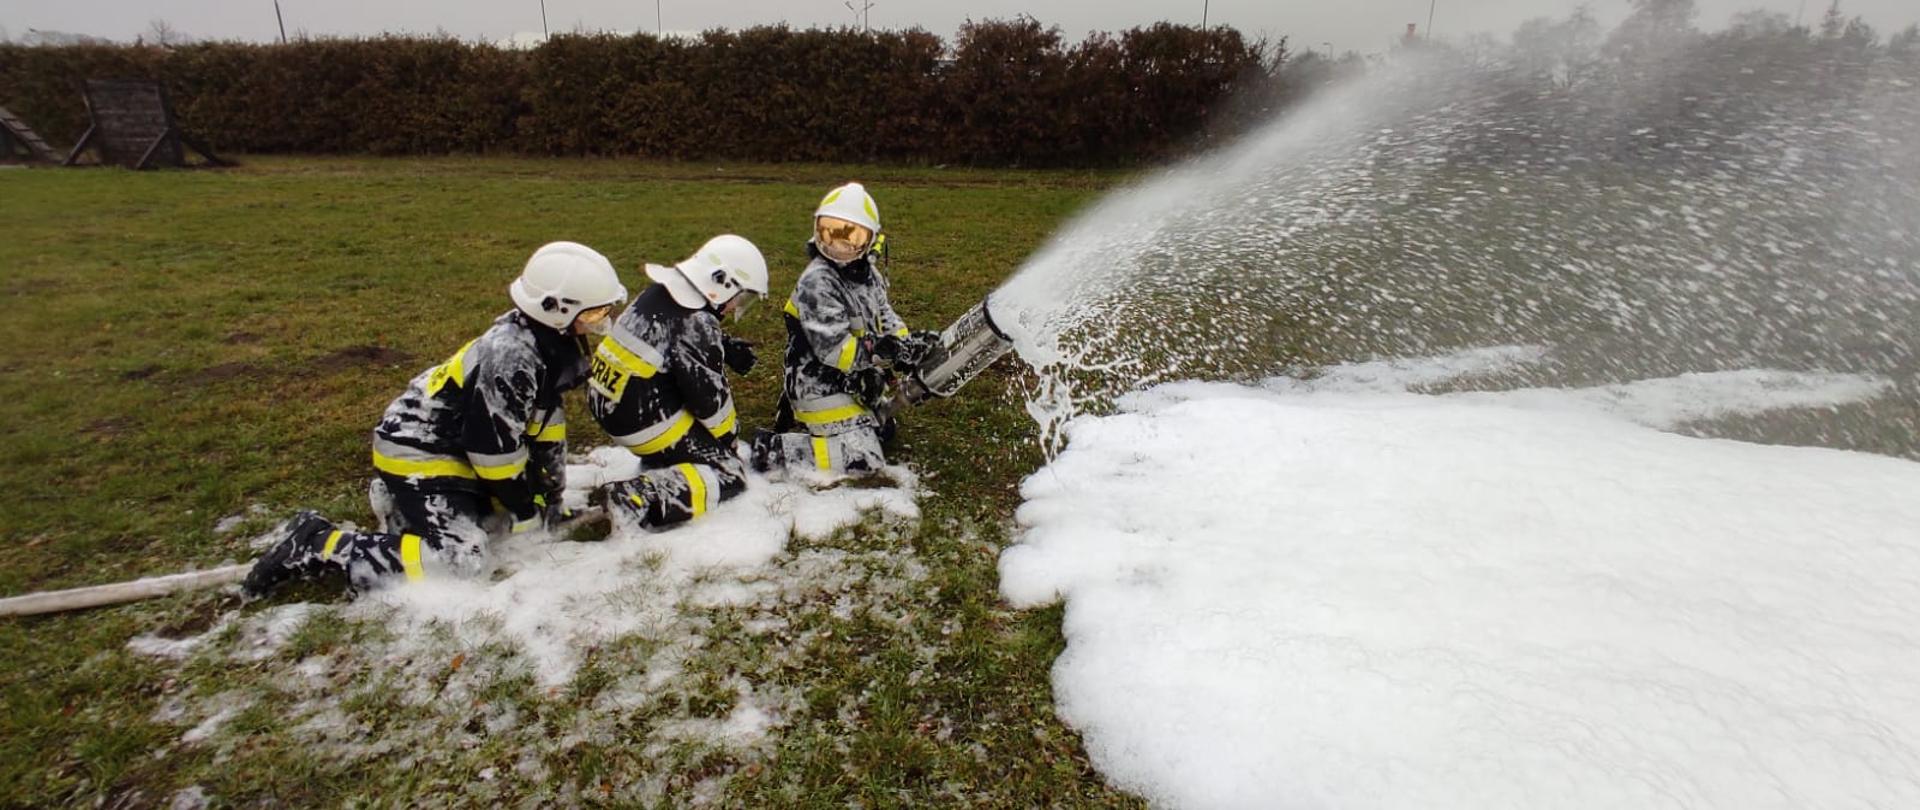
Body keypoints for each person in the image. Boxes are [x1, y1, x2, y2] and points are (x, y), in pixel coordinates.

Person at [243, 242, 625, 598]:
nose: (599, 320)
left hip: (455, 449)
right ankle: (316, 543)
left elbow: (544, 428)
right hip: (419, 452)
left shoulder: (547, 345)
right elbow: (491, 450)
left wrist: (550, 498)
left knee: (492, 516)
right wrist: (525, 507)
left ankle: (402, 508)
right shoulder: (512, 356)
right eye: (592, 313)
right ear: (555, 308)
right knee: (463, 562)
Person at [749, 182, 939, 477]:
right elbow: (836, 350)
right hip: (819, 383)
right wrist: (889, 351)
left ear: (869, 241)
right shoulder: (817, 282)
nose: (838, 245)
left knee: (882, 432)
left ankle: (840, 427)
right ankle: (771, 451)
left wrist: (909, 345)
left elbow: (885, 317)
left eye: (851, 237)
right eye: (829, 232)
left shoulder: (869, 276)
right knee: (863, 459)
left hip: (854, 378)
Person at [587, 235, 767, 528]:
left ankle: (664, 464)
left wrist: (722, 344)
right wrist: (728, 442)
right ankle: (635, 498)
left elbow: (670, 336)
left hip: (609, 400)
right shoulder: (697, 321)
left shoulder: (660, 292)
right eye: (739, 297)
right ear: (720, 284)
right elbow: (709, 402)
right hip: (642, 420)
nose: (736, 307)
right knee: (729, 473)